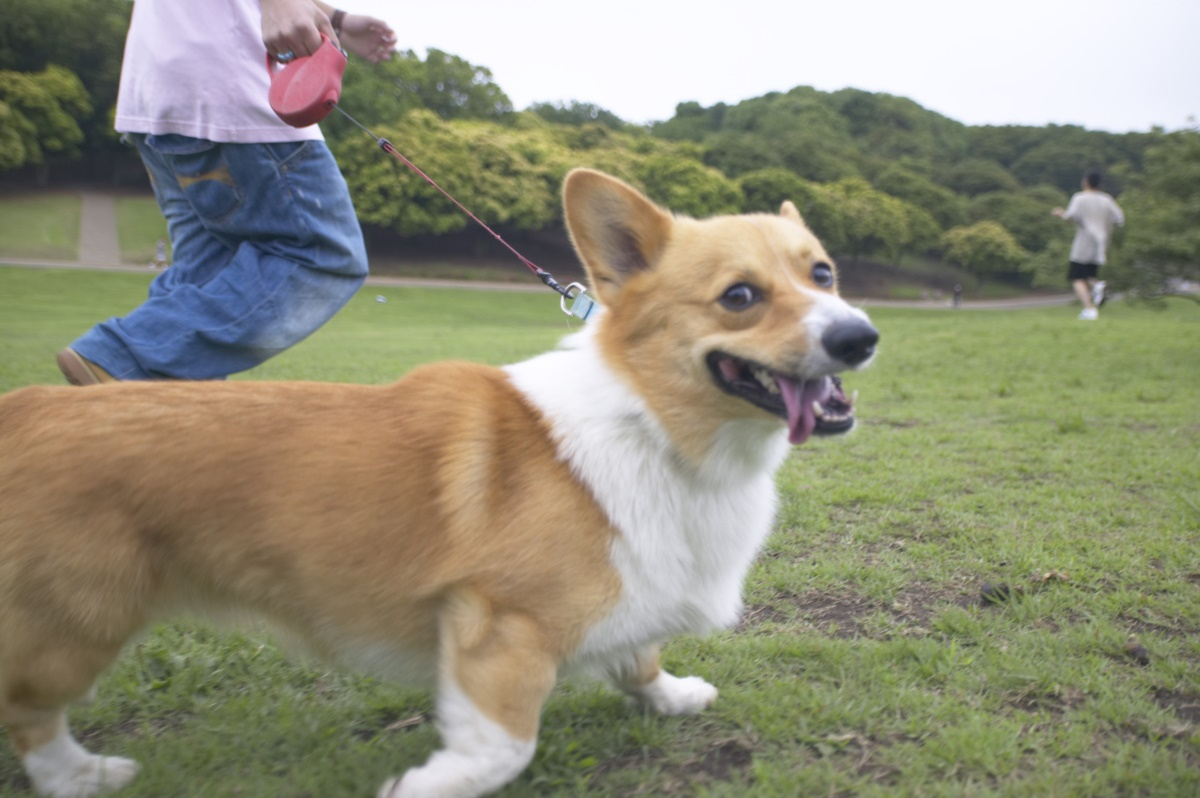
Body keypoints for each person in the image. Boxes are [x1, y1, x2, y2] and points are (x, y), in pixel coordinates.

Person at [56, 0, 397, 384]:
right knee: (326, 256)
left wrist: (339, 20)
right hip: (232, 89)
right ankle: (122, 356)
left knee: (208, 277)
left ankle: (148, 425)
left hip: (159, 92)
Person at [1051, 169, 1125, 321]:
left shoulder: (1080, 198)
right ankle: (1097, 286)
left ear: (1086, 182)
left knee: (1076, 278)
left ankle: (1089, 309)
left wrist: (1060, 213)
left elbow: (1070, 217)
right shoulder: (1106, 199)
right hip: (1101, 243)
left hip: (1084, 241)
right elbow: (1120, 218)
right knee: (1088, 274)